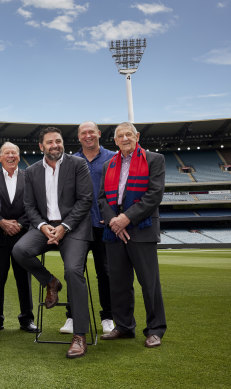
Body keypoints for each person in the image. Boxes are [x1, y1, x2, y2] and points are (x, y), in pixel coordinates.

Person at [12, 127, 93, 359]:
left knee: (73, 271)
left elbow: (85, 199)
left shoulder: (78, 165)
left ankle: (79, 335)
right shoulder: (32, 171)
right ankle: (50, 281)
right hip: (44, 226)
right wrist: (43, 226)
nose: (55, 145)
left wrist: (64, 227)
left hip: (73, 228)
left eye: (58, 141)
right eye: (50, 142)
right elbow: (29, 206)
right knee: (20, 250)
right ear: (41, 146)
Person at [98, 122, 166, 348]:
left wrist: (126, 218)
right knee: (118, 283)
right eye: (120, 136)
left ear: (137, 136)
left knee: (149, 283)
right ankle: (124, 326)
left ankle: (155, 329)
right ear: (115, 140)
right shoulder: (109, 164)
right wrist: (114, 222)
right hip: (114, 231)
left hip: (142, 228)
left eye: (129, 134)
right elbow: (101, 199)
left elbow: (154, 195)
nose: (125, 138)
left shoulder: (154, 159)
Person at [59, 121, 116, 335]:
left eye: (91, 131)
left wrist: (111, 216)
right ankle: (72, 317)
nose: (88, 135)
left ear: (99, 134)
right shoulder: (70, 160)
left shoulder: (112, 157)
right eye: (84, 133)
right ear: (79, 137)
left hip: (104, 225)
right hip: (77, 227)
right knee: (73, 271)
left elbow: (119, 189)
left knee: (106, 273)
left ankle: (108, 317)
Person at [0, 142, 37, 333]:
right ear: (0, 157)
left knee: (24, 280)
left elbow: (34, 205)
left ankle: (27, 319)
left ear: (19, 157)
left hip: (23, 236)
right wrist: (1, 221)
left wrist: (20, 224)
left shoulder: (28, 177)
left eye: (14, 153)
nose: (11, 156)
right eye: (7, 153)